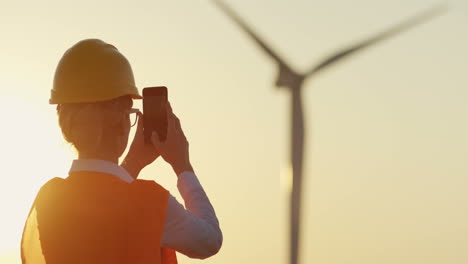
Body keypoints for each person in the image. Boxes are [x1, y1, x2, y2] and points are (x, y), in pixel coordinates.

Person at [20, 39, 222, 264]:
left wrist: (132, 163)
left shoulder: (49, 199)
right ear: (121, 119)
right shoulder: (150, 202)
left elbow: (101, 201)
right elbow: (209, 240)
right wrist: (182, 165)